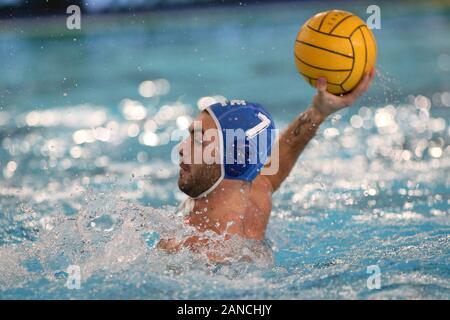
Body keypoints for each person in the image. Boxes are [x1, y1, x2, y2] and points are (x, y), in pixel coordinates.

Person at [157, 69, 375, 261]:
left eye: (198, 140)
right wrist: (318, 112)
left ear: (234, 158)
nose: (181, 149)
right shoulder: (254, 200)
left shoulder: (193, 253)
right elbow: (277, 165)